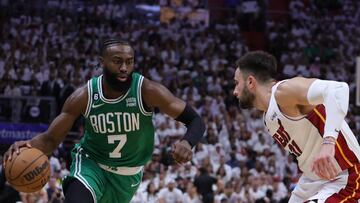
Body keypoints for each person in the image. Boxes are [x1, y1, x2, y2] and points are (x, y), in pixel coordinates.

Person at [3, 38, 206, 203]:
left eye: (129, 61)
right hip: (91, 163)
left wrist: (188, 141)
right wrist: (29, 145)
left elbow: (195, 119)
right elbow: (50, 140)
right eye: (117, 61)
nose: (125, 67)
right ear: (102, 62)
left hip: (128, 176)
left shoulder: (148, 91)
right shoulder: (84, 96)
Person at [233, 51, 360, 202]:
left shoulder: (284, 92)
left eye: (236, 83)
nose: (234, 91)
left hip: (347, 176)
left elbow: (339, 90)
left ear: (250, 82)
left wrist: (328, 142)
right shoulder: (268, 118)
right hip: (312, 181)